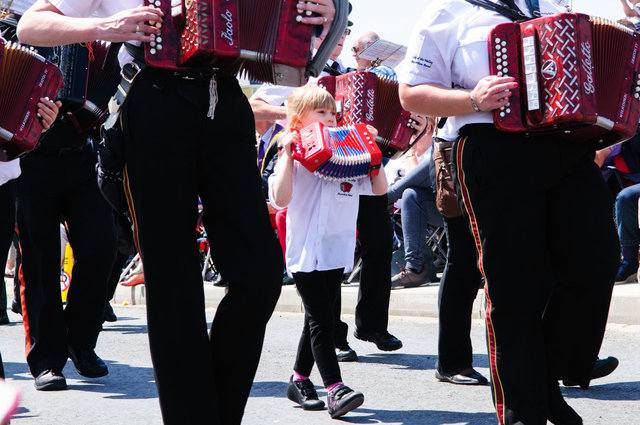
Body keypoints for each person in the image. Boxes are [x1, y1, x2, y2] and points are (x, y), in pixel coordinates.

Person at [17, 1, 336, 423]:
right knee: (173, 284)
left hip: (225, 101)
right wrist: (107, 25)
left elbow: (308, 21)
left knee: (259, 273)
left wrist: (332, 11)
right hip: (152, 99)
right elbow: (30, 25)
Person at [398, 1, 619, 425]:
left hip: (565, 144)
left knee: (597, 259)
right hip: (490, 142)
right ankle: (525, 408)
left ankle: (545, 377)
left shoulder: (553, 5)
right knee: (515, 283)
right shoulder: (449, 12)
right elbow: (411, 93)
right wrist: (470, 97)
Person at [269, 84, 387, 418]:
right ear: (297, 120)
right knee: (323, 320)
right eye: (321, 112)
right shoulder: (291, 154)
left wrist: (372, 152)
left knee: (316, 318)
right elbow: (280, 199)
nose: (330, 118)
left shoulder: (348, 154)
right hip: (305, 252)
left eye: (333, 113)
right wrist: (288, 156)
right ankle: (335, 388)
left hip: (337, 250)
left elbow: (379, 191)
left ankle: (299, 378)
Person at [387, 115, 443, 288]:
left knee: (404, 191)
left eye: (419, 124)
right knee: (411, 193)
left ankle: (389, 197)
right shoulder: (399, 156)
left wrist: (412, 152)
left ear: (431, 127)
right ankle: (415, 269)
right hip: (409, 211)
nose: (413, 129)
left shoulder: (436, 147)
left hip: (449, 203)